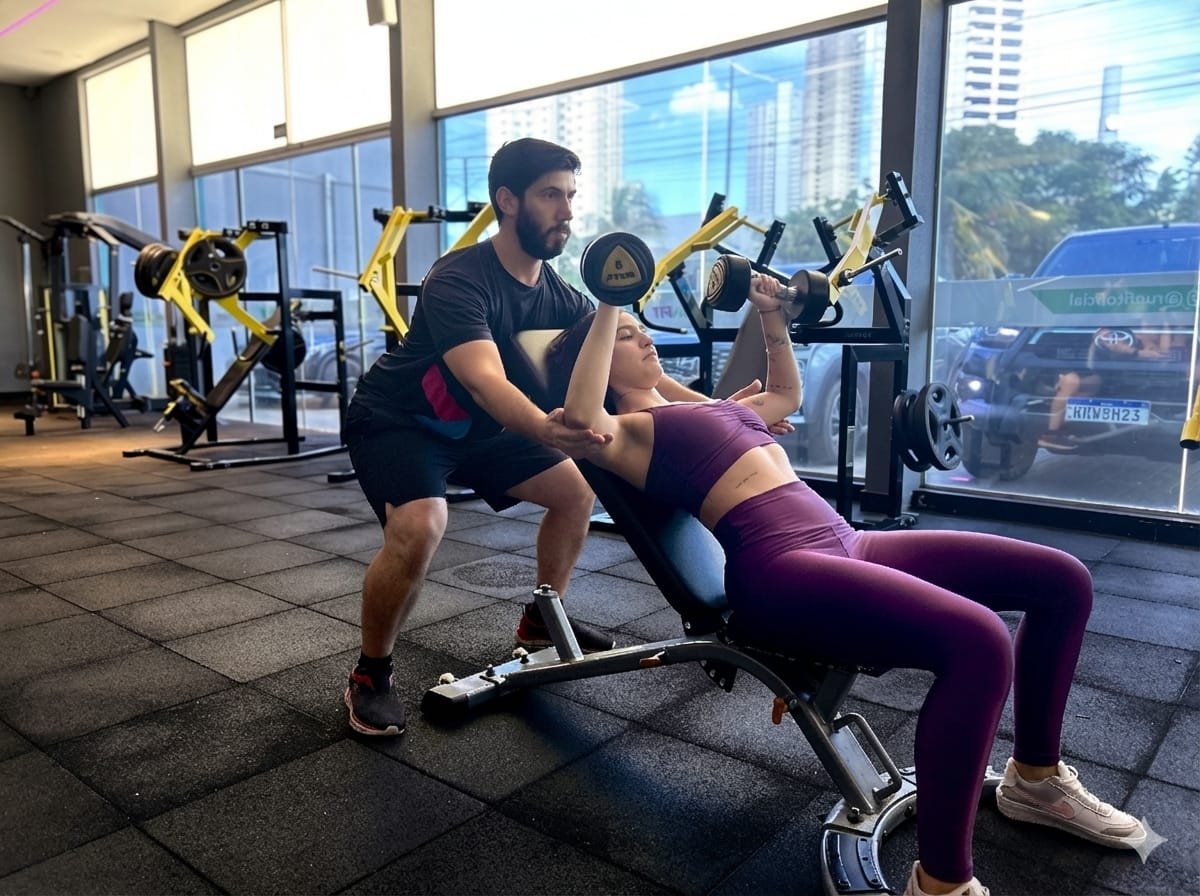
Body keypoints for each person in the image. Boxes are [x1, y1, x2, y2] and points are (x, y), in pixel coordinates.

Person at [543, 273, 1146, 896]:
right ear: (595, 364)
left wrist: (771, 316)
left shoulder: (706, 409)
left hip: (847, 539)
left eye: (639, 326)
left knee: (1063, 580)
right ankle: (941, 884)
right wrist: (611, 296)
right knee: (981, 641)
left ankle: (1035, 780)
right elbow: (584, 415)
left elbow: (783, 394)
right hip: (780, 568)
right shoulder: (621, 432)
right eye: (623, 334)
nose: (641, 336)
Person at [341, 138, 720, 738]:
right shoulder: (459, 279)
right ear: (507, 201)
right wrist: (545, 427)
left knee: (574, 495)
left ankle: (541, 620)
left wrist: (725, 411)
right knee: (420, 526)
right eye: (551, 195)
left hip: (485, 430)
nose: (567, 210)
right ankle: (371, 673)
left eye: (571, 196)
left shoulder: (565, 297)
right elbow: (486, 379)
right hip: (402, 421)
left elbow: (635, 373)